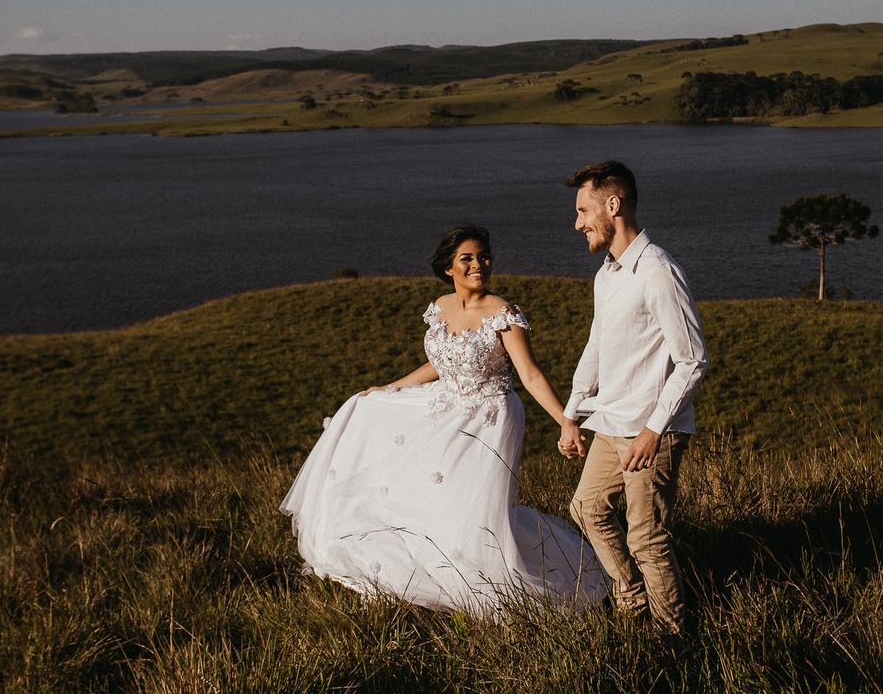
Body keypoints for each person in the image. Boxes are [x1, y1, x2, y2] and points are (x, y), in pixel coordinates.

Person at [280, 225, 608, 616]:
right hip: (443, 406)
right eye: (467, 258)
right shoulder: (440, 306)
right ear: (449, 267)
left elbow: (530, 374)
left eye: (483, 257)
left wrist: (565, 421)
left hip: (489, 416)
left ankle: (500, 580)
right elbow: (440, 363)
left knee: (472, 509)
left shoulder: (503, 314)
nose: (478, 265)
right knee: (396, 453)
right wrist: (391, 387)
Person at [557, 161, 708, 644]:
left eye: (584, 211)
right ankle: (633, 602)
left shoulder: (659, 271)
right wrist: (570, 413)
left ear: (613, 206)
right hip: (612, 423)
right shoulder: (607, 274)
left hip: (651, 432)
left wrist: (653, 430)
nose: (578, 223)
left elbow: (693, 360)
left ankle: (670, 640)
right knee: (586, 509)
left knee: (646, 537)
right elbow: (596, 347)